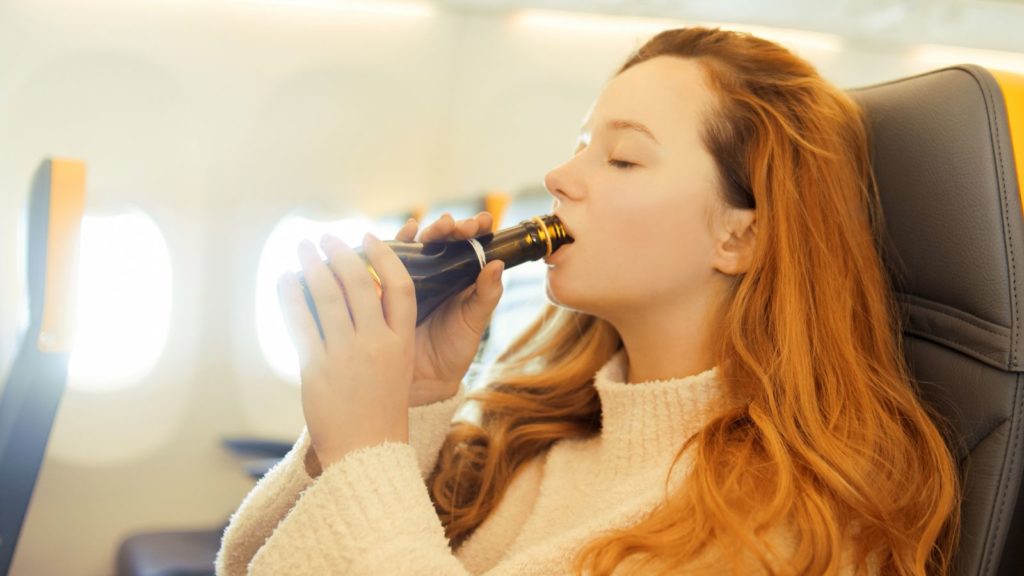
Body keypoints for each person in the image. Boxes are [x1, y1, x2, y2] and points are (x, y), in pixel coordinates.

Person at [215, 26, 960, 575]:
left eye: (624, 157)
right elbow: (253, 562)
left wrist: (366, 450)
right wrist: (410, 402)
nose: (562, 177)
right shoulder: (538, 429)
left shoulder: (782, 524)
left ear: (742, 237)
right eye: (580, 146)